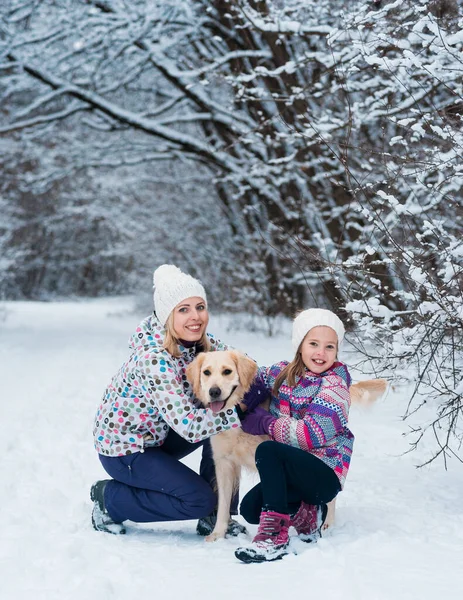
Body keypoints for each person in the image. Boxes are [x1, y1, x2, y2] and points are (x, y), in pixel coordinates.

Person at [91, 264, 246, 537]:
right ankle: (110, 499)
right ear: (166, 316)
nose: (195, 316)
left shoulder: (199, 341)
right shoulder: (154, 358)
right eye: (183, 310)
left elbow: (243, 364)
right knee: (197, 499)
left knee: (222, 409)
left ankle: (218, 516)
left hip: (160, 436)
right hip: (126, 450)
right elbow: (189, 425)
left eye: (200, 306)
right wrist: (240, 413)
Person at [234, 308, 354, 563]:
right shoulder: (284, 373)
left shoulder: (335, 386)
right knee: (250, 509)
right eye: (313, 344)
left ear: (336, 351)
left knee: (267, 450)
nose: (321, 353)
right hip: (294, 474)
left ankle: (273, 538)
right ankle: (306, 515)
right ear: (300, 345)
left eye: (329, 347)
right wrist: (243, 403)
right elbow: (255, 377)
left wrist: (266, 422)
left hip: (324, 474)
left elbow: (310, 434)